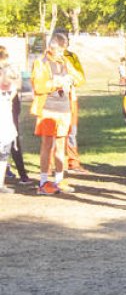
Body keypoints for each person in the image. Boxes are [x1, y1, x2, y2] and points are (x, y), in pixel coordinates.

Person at [31, 33, 82, 194]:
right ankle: (43, 182)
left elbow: (80, 78)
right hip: (48, 109)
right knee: (47, 145)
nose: (62, 54)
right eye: (60, 50)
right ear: (51, 47)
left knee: (61, 145)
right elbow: (38, 86)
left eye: (64, 50)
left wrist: (70, 80)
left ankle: (59, 180)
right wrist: (55, 83)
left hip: (64, 108)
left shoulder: (66, 62)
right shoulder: (41, 63)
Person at [0, 46, 30, 187]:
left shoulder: (8, 70)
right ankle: (19, 174)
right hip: (6, 109)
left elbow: (14, 85)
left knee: (12, 140)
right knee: (11, 140)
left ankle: (19, 173)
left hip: (10, 108)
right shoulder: (5, 70)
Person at [61, 33, 85, 171]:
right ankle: (53, 162)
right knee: (54, 132)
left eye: (66, 40)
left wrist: (69, 68)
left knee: (72, 131)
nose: (66, 43)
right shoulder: (46, 58)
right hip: (53, 99)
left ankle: (73, 162)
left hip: (71, 98)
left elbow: (81, 78)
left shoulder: (72, 57)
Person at [0, 47, 20, 193]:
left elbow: (14, 86)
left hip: (5, 115)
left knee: (5, 150)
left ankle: (0, 183)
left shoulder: (8, 72)